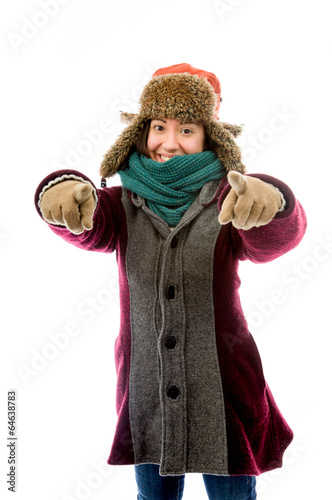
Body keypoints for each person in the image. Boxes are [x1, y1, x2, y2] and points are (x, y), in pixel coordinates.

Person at [34, 63, 307, 500]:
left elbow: (273, 241)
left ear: (208, 137)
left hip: (224, 398)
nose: (169, 142)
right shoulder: (118, 204)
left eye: (187, 129)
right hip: (148, 394)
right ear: (141, 131)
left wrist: (274, 202)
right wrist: (59, 190)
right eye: (159, 126)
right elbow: (86, 223)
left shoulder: (230, 199)